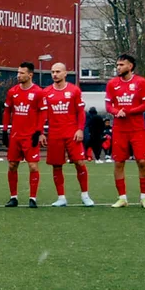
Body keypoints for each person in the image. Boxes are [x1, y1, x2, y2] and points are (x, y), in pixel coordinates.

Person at [40, 61, 93, 206]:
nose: (55, 75)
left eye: (57, 72)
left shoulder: (74, 90)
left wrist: (80, 129)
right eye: (52, 72)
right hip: (54, 133)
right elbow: (42, 115)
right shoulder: (46, 92)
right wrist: (41, 132)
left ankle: (85, 195)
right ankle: (61, 198)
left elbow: (80, 112)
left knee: (79, 162)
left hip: (72, 132)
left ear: (65, 73)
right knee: (57, 165)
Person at [106, 54, 145, 208]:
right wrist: (115, 112)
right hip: (119, 129)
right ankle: (122, 198)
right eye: (117, 65)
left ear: (130, 66)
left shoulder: (141, 82)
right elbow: (108, 106)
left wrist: (128, 111)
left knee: (142, 161)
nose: (118, 67)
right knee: (119, 162)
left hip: (137, 128)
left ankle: (144, 197)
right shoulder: (112, 84)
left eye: (121, 65)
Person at [1, 62, 45, 208]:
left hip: (30, 135)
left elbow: (43, 113)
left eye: (21, 73)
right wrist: (5, 130)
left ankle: (33, 198)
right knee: (12, 165)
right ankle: (13, 197)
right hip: (15, 135)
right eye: (18, 72)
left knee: (33, 166)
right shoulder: (12, 92)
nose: (18, 75)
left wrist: (38, 132)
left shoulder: (38, 92)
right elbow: (7, 111)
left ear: (30, 75)